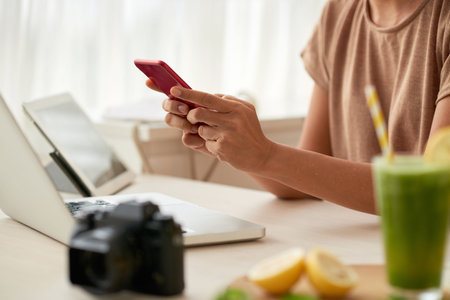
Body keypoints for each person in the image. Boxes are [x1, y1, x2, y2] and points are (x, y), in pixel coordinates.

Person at [146, 0, 450, 215]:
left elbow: (426, 193)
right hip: (359, 247)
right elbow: (303, 182)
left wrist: (265, 154)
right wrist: (235, 148)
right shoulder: (339, 11)